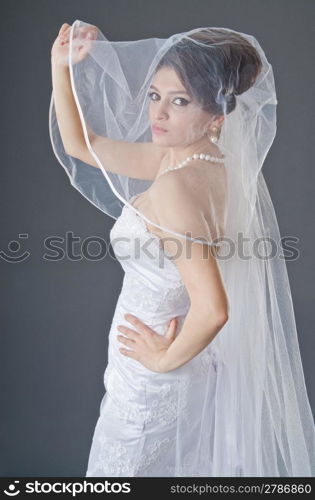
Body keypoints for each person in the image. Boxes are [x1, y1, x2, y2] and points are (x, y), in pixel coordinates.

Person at [49, 20, 315, 476]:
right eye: (155, 95)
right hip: (184, 367)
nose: (158, 114)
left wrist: (160, 360)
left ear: (216, 116)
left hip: (153, 373)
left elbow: (214, 309)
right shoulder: (204, 162)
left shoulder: (175, 186)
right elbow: (82, 144)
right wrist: (60, 66)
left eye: (179, 101)